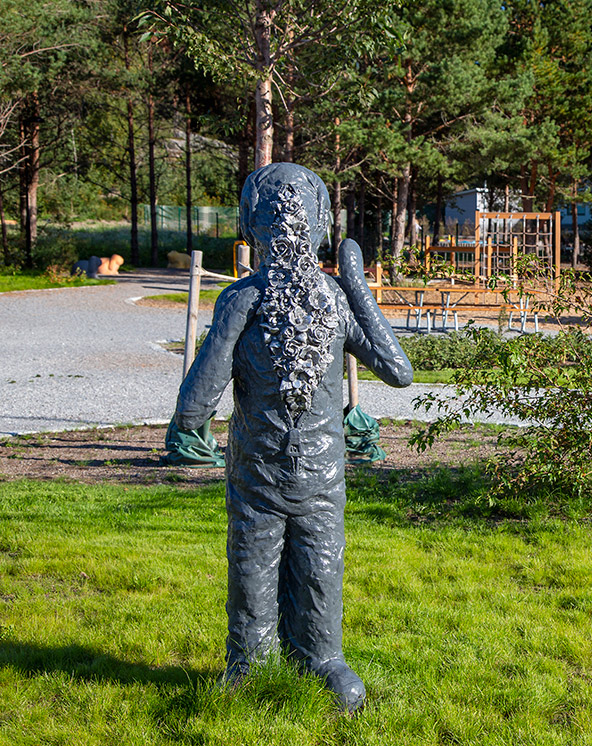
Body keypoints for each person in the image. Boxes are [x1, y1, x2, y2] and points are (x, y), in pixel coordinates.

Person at [172, 163, 413, 712]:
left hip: (262, 469)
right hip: (315, 475)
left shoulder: (243, 300)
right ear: (321, 226)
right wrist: (353, 286)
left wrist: (190, 428)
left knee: (257, 564)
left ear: (251, 228)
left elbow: (194, 403)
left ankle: (260, 664)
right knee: (316, 564)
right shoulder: (327, 299)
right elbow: (397, 369)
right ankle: (316, 659)